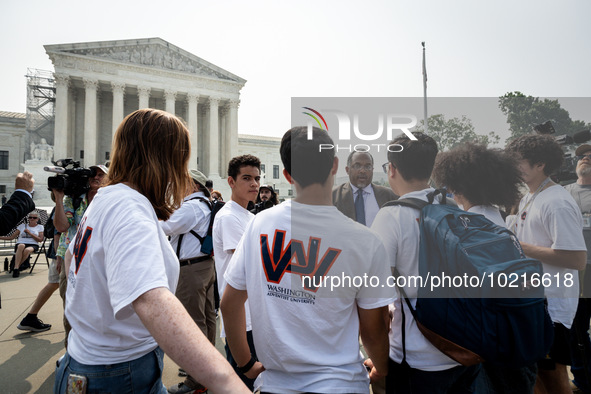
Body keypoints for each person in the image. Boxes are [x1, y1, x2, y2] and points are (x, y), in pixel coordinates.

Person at [54, 108, 248, 394]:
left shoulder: (106, 197)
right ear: (165, 159)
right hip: (120, 374)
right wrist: (226, 381)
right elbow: (151, 300)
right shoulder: (130, 208)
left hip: (86, 359)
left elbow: (72, 257)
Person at [222, 126, 394, 393]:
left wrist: (247, 365)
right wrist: (382, 367)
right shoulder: (365, 241)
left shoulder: (260, 224)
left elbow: (229, 304)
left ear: (288, 175)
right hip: (341, 384)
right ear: (335, 166)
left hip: (275, 384)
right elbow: (374, 328)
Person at [371, 132, 481, 393]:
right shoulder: (455, 207)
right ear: (431, 167)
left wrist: (379, 361)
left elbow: (374, 297)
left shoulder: (391, 216)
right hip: (464, 348)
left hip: (417, 359)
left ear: (392, 169)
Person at [433, 143, 536, 394]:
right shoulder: (502, 222)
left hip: (486, 348)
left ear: (455, 187)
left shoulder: (466, 229)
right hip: (519, 339)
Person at [506, 134, 587, 394]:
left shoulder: (556, 201)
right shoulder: (531, 196)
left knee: (554, 379)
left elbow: (577, 259)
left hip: (552, 306)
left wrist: (521, 247)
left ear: (540, 164)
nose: (512, 167)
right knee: (537, 376)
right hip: (534, 301)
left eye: (517, 161)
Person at [161, 168, 216, 394]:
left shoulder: (193, 206)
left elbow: (166, 226)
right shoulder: (205, 205)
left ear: (194, 186)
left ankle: (197, 379)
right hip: (204, 266)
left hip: (191, 269)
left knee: (193, 323)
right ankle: (208, 371)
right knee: (207, 319)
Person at [213, 154, 261, 390]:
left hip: (254, 314)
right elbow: (246, 267)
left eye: (257, 178)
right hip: (243, 317)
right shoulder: (230, 217)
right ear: (231, 182)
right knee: (242, 382)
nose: (254, 184)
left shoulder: (250, 216)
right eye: (246, 178)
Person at [53, 163, 108, 348]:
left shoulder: (110, 201)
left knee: (99, 307)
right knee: (70, 306)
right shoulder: (74, 200)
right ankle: (72, 349)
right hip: (74, 261)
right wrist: (59, 199)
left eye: (102, 174)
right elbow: (62, 228)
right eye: (94, 173)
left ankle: (94, 348)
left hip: (101, 262)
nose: (97, 177)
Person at [565, 143, 591, 393]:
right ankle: (583, 381)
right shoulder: (563, 193)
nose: (585, 159)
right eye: (582, 156)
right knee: (578, 330)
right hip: (577, 270)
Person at [17, 192, 62, 332]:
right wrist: (59, 255)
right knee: (61, 286)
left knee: (54, 284)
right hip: (61, 253)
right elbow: (57, 234)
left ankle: (30, 317)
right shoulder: (63, 205)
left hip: (59, 252)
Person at [332, 151, 397, 226]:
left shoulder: (390, 196)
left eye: (368, 167)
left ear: (372, 170)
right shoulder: (334, 196)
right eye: (357, 166)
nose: (363, 171)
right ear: (347, 170)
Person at [0, 211, 44, 278]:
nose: (32, 219)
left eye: (34, 218)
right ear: (28, 218)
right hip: (21, 243)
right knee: (21, 245)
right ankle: (16, 268)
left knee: (27, 250)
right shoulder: (22, 226)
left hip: (33, 244)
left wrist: (30, 233)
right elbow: (11, 237)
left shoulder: (40, 227)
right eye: (30, 217)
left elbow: (40, 239)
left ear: (37, 219)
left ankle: (16, 267)